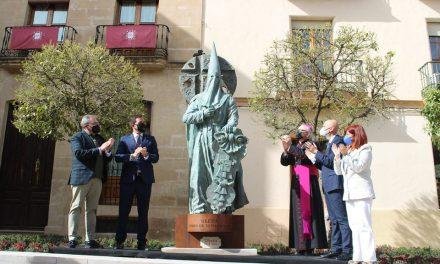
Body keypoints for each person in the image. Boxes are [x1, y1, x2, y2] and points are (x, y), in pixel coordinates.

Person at [182, 43, 248, 214]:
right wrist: (203, 113)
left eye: (216, 78)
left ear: (220, 80)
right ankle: (198, 207)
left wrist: (226, 130)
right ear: (207, 80)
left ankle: (222, 206)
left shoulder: (227, 100)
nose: (213, 81)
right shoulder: (198, 99)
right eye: (211, 78)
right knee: (198, 174)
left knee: (223, 174)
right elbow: (186, 118)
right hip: (202, 139)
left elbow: (233, 119)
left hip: (220, 142)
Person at [305, 120, 352, 261]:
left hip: (335, 185)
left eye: (324, 126)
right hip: (329, 185)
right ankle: (336, 249)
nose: (322, 129)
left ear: (331, 129)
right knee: (334, 219)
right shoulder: (330, 142)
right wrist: (313, 157)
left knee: (341, 219)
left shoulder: (338, 141)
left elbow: (332, 162)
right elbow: (326, 165)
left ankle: (347, 250)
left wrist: (316, 152)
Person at [280, 124, 327, 255]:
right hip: (297, 181)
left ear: (308, 133)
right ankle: (299, 245)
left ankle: (310, 246)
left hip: (308, 180)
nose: (300, 132)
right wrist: (285, 151)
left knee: (310, 213)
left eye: (303, 131)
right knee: (297, 212)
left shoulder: (311, 144)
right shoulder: (295, 144)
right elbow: (285, 162)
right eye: (299, 130)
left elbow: (305, 157)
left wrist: (289, 147)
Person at [68, 115, 114, 248]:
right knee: (76, 207)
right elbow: (78, 153)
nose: (98, 124)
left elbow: (105, 159)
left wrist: (108, 151)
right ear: (86, 125)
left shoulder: (99, 138)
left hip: (97, 178)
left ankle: (90, 239)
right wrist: (100, 149)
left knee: (92, 209)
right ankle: (72, 238)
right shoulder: (77, 137)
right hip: (81, 177)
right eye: (95, 123)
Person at [332, 124, 376, 264]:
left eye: (350, 135)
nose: (347, 138)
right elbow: (339, 171)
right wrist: (338, 157)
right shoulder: (349, 152)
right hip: (350, 194)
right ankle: (358, 257)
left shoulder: (365, 150)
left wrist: (346, 155)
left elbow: (359, 167)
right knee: (355, 227)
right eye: (346, 135)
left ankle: (370, 258)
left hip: (362, 193)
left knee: (364, 226)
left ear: (357, 135)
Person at [114, 115, 159, 250]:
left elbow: (156, 157)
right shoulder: (124, 139)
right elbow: (117, 157)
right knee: (123, 211)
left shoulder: (150, 139)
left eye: (143, 123)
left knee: (143, 212)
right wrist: (131, 156)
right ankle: (119, 241)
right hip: (128, 180)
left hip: (144, 181)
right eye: (140, 123)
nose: (142, 124)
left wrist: (146, 155)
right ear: (133, 125)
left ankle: (141, 242)